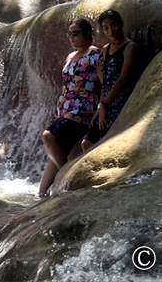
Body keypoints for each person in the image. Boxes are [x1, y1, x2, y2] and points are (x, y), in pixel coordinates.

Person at [37, 19, 102, 198]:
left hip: (83, 110)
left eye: (76, 33)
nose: (71, 37)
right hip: (66, 110)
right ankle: (41, 194)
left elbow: (105, 82)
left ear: (87, 34)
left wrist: (101, 106)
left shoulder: (95, 54)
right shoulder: (70, 56)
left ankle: (67, 178)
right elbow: (66, 85)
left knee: (48, 136)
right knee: (58, 149)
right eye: (70, 34)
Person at [83, 10, 139, 150]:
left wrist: (105, 105)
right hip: (106, 102)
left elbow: (123, 79)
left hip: (121, 102)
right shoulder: (105, 49)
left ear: (121, 24)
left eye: (114, 25)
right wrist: (100, 107)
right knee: (87, 143)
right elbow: (105, 82)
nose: (110, 30)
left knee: (108, 145)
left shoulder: (130, 47)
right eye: (106, 28)